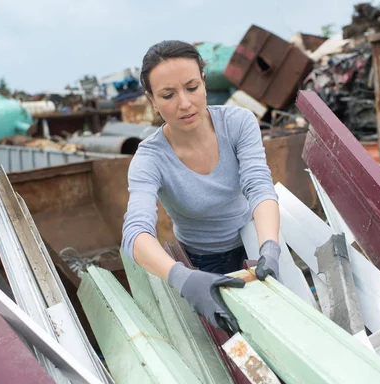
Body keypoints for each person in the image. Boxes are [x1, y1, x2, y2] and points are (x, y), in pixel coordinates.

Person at [121, 40, 282, 332]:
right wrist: (183, 278)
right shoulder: (149, 158)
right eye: (168, 95)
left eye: (192, 88)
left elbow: (259, 186)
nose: (184, 103)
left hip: (253, 242)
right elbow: (135, 234)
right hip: (199, 264)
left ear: (204, 83)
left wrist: (269, 245)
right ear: (152, 100)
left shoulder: (238, 123)